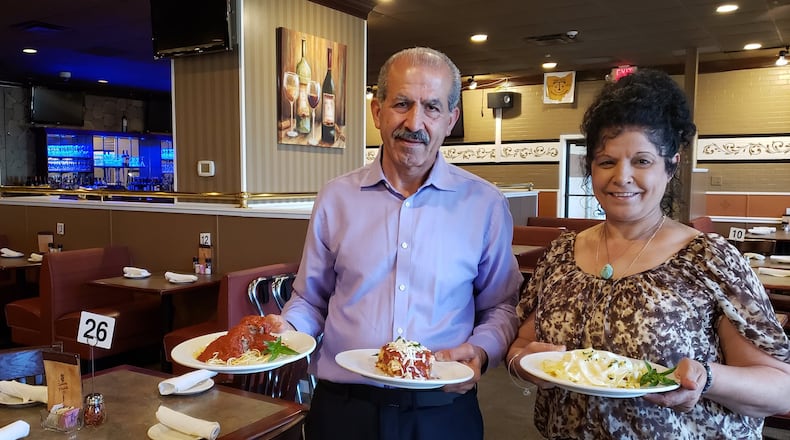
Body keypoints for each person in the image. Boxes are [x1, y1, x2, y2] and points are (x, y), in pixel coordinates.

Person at [507, 69, 790, 439]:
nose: (621, 177)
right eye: (606, 162)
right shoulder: (561, 255)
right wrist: (526, 366)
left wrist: (705, 379)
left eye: (642, 161)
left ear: (670, 166)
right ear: (590, 168)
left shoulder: (709, 259)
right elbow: (521, 348)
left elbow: (778, 388)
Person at [269, 47, 522, 440]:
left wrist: (482, 350)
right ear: (377, 112)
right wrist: (284, 329)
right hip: (343, 410)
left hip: (442, 411)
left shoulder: (485, 205)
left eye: (432, 107)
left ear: (451, 119)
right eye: (402, 103)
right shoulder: (336, 198)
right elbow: (311, 299)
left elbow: (501, 306)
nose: (414, 122)